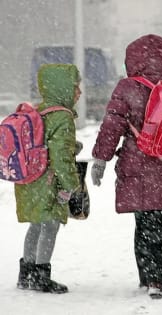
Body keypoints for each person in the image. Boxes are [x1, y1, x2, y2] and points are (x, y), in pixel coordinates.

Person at [90, 34, 162, 299]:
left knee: (144, 225)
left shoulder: (126, 88)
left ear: (132, 59)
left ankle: (148, 277)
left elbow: (112, 125)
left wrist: (101, 158)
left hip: (139, 168)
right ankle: (161, 279)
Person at [16, 64, 82, 294]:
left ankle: (26, 275)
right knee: (50, 226)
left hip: (31, 179)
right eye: (76, 87)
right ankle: (42, 276)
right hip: (50, 181)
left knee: (36, 224)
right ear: (63, 88)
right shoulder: (62, 117)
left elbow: (44, 143)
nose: (79, 92)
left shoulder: (38, 111)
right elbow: (61, 158)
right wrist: (73, 185)